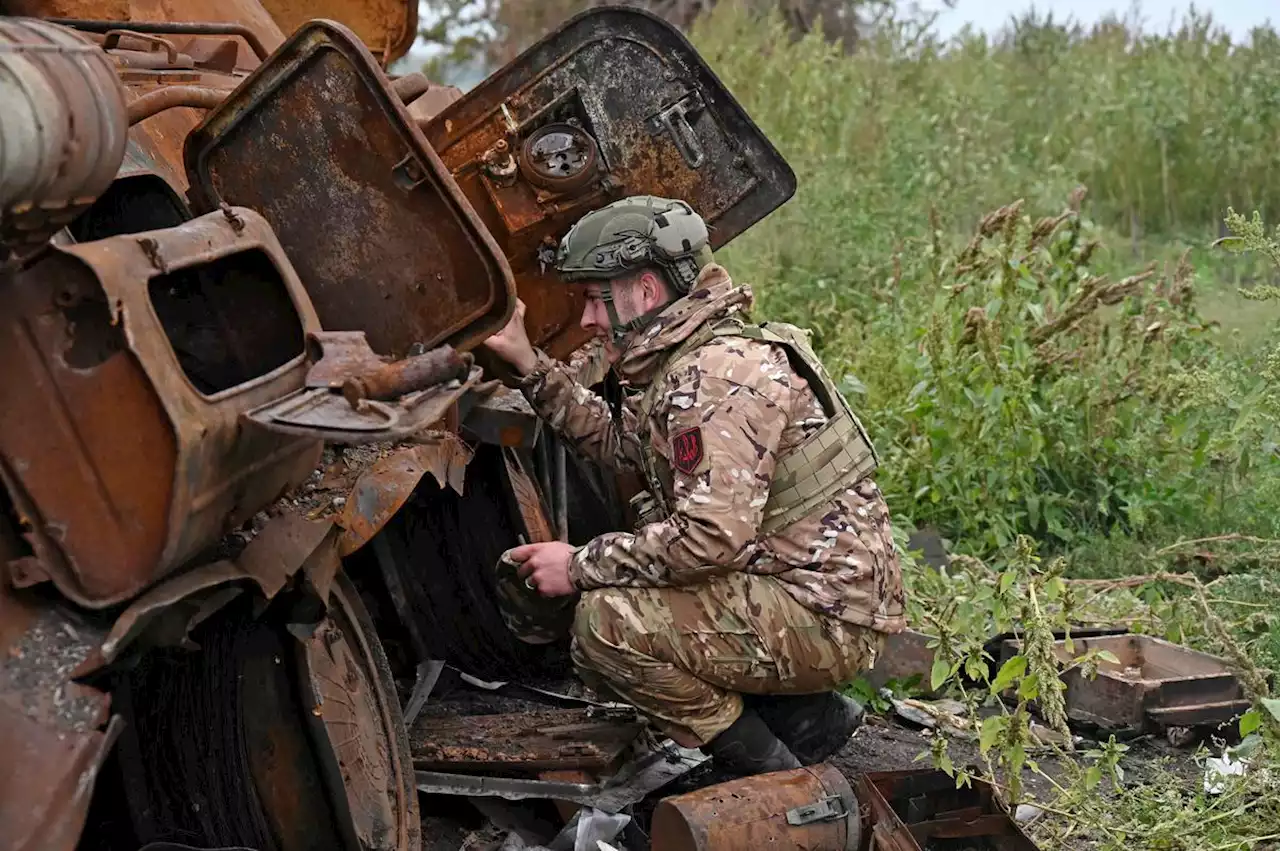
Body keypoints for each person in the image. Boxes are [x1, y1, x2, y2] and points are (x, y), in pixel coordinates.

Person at [483, 195, 906, 776]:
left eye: (592, 298)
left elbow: (710, 541)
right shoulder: (695, 356)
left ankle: (767, 772)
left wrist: (579, 564)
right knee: (640, 533)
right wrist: (529, 365)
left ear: (646, 292)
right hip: (806, 590)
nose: (586, 319)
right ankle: (806, 718)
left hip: (825, 616)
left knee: (607, 626)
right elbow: (623, 447)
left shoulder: (713, 378)